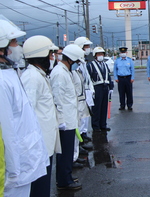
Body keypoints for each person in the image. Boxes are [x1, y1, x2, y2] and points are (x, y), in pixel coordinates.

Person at [0, 15, 48, 196]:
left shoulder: (12, 73)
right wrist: (12, 170)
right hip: (17, 167)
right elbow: (6, 130)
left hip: (27, 158)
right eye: (14, 42)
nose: (18, 47)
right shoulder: (2, 81)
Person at [21, 35, 62, 197]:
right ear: (40, 56)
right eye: (50, 55)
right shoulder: (31, 77)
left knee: (44, 182)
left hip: (45, 140)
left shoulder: (39, 74)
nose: (52, 58)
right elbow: (27, 112)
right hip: (39, 142)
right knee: (40, 186)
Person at [50, 44, 85, 190]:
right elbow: (57, 98)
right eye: (77, 61)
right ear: (71, 59)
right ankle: (64, 181)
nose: (77, 64)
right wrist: (62, 121)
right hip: (65, 121)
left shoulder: (65, 71)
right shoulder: (59, 73)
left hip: (70, 119)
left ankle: (66, 177)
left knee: (68, 151)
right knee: (64, 153)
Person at [87, 47, 114, 131]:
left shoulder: (105, 64)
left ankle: (103, 124)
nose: (100, 56)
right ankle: (96, 126)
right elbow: (88, 78)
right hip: (96, 88)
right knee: (96, 108)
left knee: (104, 107)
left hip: (105, 87)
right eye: (99, 54)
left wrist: (111, 87)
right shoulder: (91, 65)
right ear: (95, 55)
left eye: (102, 54)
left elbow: (108, 76)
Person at [73, 37, 95, 142]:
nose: (88, 49)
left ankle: (84, 132)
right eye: (86, 47)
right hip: (80, 93)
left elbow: (87, 77)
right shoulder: (75, 63)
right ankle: (80, 136)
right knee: (80, 115)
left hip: (87, 91)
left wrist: (91, 88)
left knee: (86, 115)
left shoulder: (83, 62)